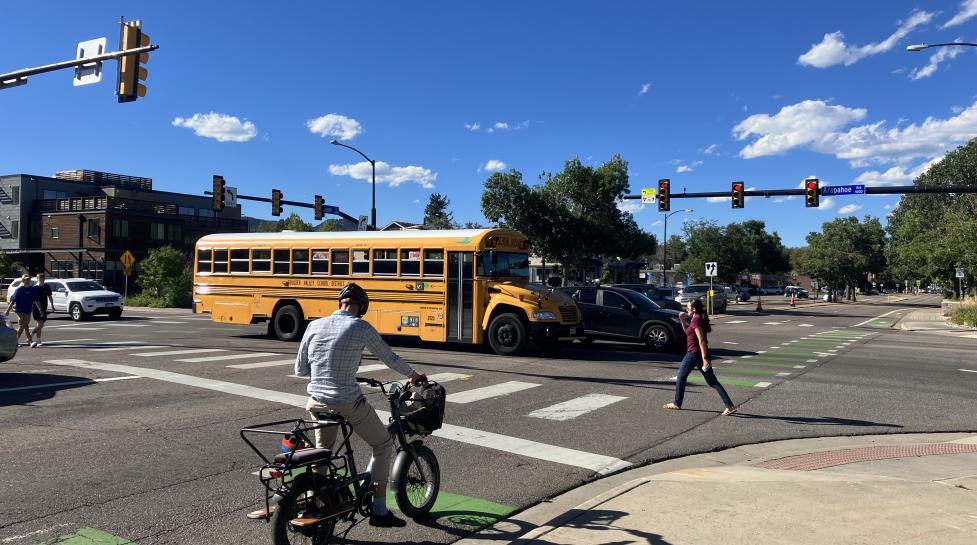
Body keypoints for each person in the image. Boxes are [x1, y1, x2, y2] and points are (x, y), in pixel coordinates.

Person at [294, 282, 427, 528]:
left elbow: (300, 369)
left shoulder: (314, 325)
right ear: (361, 307)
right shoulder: (361, 327)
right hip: (347, 402)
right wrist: (413, 375)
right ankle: (378, 510)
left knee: (322, 455)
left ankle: (312, 503)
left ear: (339, 303)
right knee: (383, 444)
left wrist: (329, 370)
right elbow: (390, 358)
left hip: (317, 401)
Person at [664, 298, 737, 415]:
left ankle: (677, 403)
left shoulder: (696, 320)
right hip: (697, 353)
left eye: (687, 307)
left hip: (693, 353)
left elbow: (702, 340)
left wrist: (705, 359)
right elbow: (688, 332)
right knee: (712, 381)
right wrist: (682, 320)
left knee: (681, 377)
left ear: (693, 309)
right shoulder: (695, 319)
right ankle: (730, 405)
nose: (686, 308)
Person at [4, 274, 38, 347]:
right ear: (23, 280)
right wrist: (7, 310)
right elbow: (13, 301)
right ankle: (30, 341)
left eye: (28, 279)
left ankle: (15, 341)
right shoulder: (19, 290)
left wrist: (40, 310)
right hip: (20, 311)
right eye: (26, 279)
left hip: (28, 311)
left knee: (23, 326)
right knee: (25, 325)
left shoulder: (32, 289)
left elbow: (36, 300)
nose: (27, 281)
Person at [31, 273, 55, 347]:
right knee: (40, 324)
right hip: (36, 308)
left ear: (44, 279)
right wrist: (39, 309)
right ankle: (36, 338)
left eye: (42, 279)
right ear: (37, 279)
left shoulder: (47, 286)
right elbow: (34, 300)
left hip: (44, 307)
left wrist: (52, 305)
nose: (41, 280)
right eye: (39, 278)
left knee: (40, 325)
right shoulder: (34, 288)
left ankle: (34, 336)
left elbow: (50, 296)